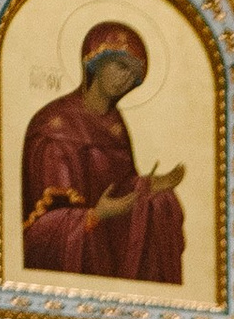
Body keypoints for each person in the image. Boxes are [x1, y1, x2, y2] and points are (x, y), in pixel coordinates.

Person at [20, 20, 186, 282]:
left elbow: (121, 186)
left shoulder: (114, 125)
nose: (126, 79)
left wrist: (149, 186)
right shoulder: (54, 125)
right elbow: (41, 228)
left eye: (134, 75)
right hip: (75, 256)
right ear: (95, 60)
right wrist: (97, 215)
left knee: (165, 203)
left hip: (107, 246)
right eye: (121, 67)